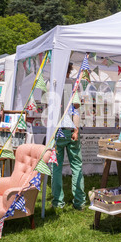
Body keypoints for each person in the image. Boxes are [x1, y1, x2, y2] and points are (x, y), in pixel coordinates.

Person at [51, 63, 85, 210]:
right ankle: (79, 201)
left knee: (56, 167)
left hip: (56, 130)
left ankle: (58, 202)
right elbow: (76, 109)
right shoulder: (72, 84)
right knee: (76, 166)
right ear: (69, 70)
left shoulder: (52, 84)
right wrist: (76, 130)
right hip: (70, 129)